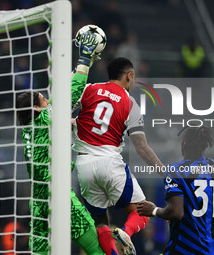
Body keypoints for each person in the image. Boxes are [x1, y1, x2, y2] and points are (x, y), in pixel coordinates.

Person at [16, 32, 106, 254]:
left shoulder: (30, 127)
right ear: (37, 108)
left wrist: (70, 122)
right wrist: (84, 60)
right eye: (43, 99)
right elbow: (71, 95)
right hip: (58, 196)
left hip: (38, 203)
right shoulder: (45, 119)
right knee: (96, 247)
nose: (47, 100)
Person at [72, 57, 164, 255]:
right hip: (109, 162)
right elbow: (140, 146)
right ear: (129, 75)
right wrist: (163, 170)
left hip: (84, 164)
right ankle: (126, 232)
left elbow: (67, 103)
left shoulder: (89, 88)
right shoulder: (130, 103)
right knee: (141, 211)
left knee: (100, 221)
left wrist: (74, 121)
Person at [137, 126, 214, 255]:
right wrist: (199, 214)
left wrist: (154, 210)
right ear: (204, 146)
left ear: (183, 145)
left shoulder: (175, 171)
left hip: (182, 251)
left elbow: (176, 213)